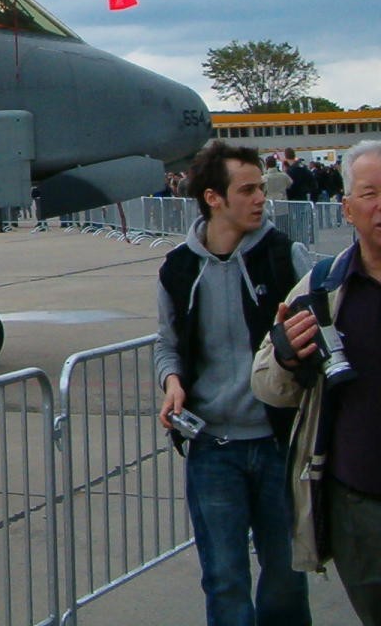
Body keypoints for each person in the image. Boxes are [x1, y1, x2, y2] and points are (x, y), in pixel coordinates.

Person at [155, 140, 311, 626]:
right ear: (213, 198)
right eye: (247, 189)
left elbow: (325, 335)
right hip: (212, 449)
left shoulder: (288, 257)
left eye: (261, 187)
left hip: (278, 446)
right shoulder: (177, 269)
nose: (260, 198)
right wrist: (172, 380)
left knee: (285, 576)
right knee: (224, 578)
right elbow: (167, 345)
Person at [252, 139, 381, 625]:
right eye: (369, 194)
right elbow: (265, 385)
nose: (380, 205)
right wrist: (286, 357)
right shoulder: (324, 287)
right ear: (347, 209)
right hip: (361, 509)